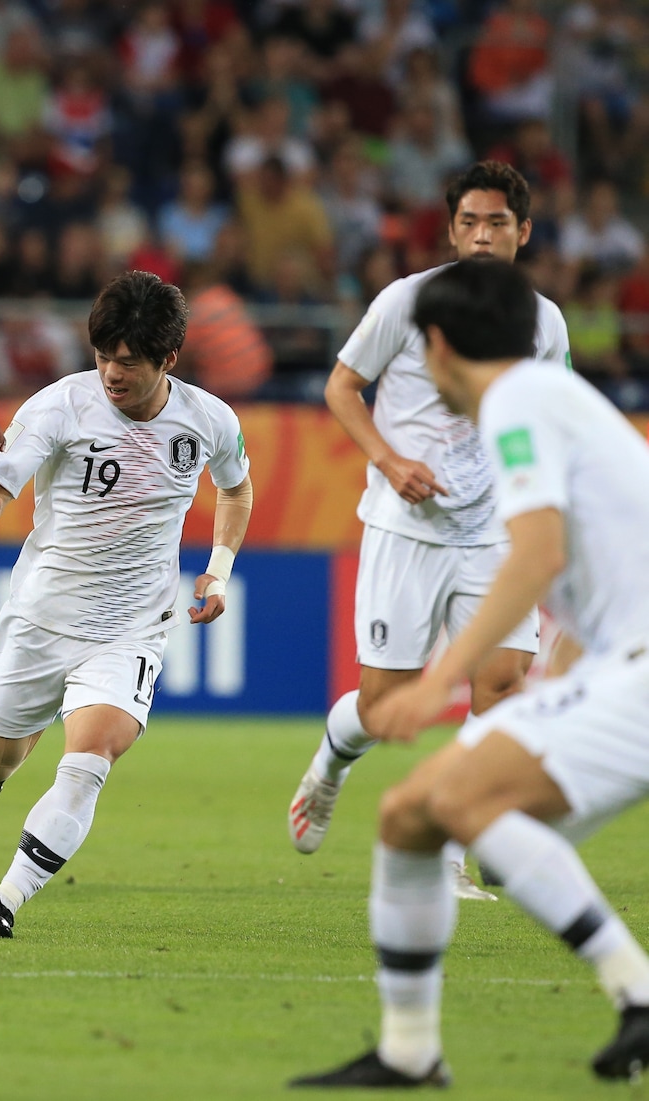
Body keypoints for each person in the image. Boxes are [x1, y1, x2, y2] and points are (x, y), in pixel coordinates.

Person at [292, 259, 649, 1088]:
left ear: (439, 346)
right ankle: (412, 1049)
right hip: (619, 667)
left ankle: (636, 988)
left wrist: (437, 678)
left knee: (456, 801)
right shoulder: (556, 399)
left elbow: (540, 555)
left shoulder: (517, 404)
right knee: (418, 811)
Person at [286, 163, 571, 900]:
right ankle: (330, 763)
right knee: (387, 707)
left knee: (501, 686)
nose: (482, 235)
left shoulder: (545, 322)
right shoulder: (406, 302)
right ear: (451, 229)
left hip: (493, 532)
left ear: (524, 232)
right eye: (470, 221)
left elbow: (550, 414)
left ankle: (453, 849)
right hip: (404, 526)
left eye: (498, 223)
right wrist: (388, 458)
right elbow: (342, 387)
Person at [0, 271, 254, 939]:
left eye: (130, 360)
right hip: (42, 616)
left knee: (90, 760)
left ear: (168, 359)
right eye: (104, 356)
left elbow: (236, 491)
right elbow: (10, 465)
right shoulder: (62, 404)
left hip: (132, 627)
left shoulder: (209, 420)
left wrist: (218, 571)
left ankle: (2, 901)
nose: (113, 372)